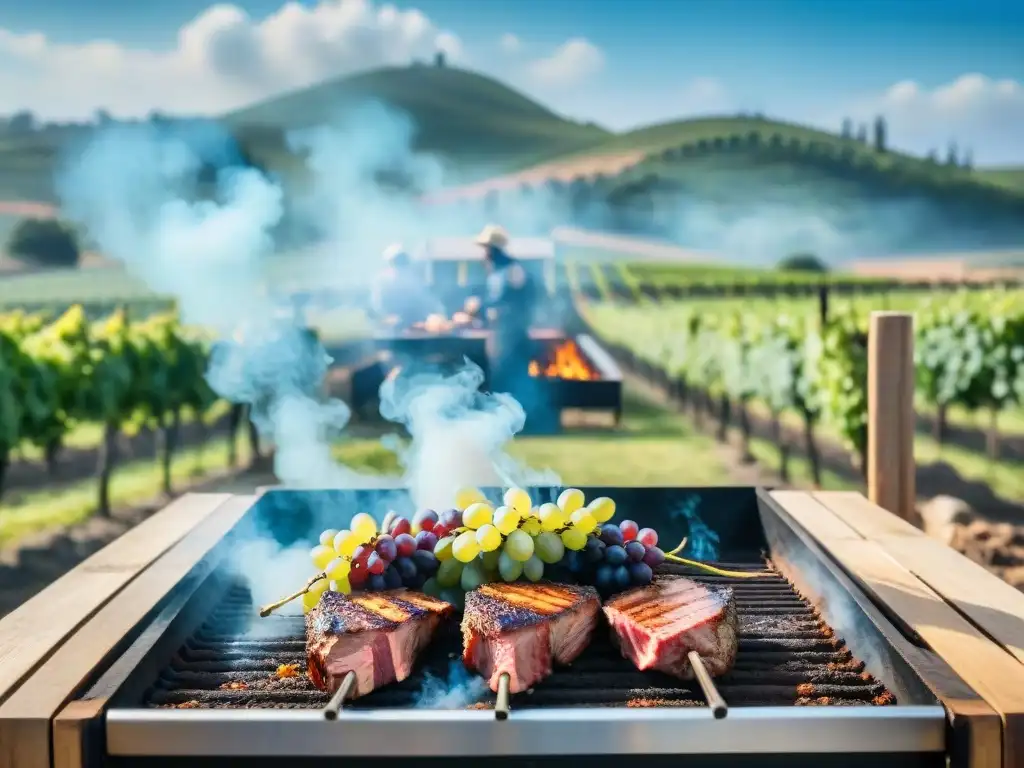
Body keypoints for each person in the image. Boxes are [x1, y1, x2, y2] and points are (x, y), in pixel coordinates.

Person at [465, 224, 542, 405]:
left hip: (511, 334)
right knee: (501, 376)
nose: (483, 253)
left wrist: (479, 306)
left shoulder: (513, 271)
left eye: (485, 248)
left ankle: (525, 418)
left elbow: (505, 301)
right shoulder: (498, 272)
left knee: (511, 377)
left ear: (493, 249)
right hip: (501, 332)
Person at [369, 243, 443, 330]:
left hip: (416, 324)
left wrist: (434, 314)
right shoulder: (383, 280)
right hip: (393, 327)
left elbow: (425, 300)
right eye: (398, 259)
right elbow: (378, 305)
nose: (400, 262)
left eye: (402, 259)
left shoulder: (414, 278)